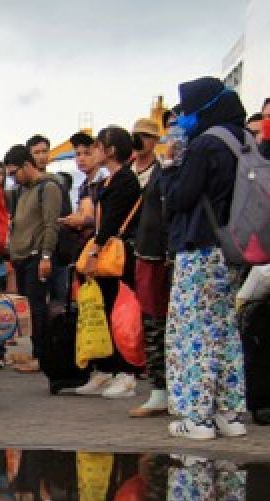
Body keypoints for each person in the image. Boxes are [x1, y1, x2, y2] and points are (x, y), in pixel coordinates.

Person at [162, 77, 249, 440]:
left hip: (200, 247)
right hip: (234, 247)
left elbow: (181, 198)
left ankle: (197, 417)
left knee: (193, 331)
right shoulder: (241, 139)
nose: (184, 119)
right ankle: (229, 414)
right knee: (225, 330)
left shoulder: (205, 145)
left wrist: (170, 167)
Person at [74, 127, 142, 399]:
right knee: (101, 311)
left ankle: (126, 373)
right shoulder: (110, 180)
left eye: (98, 146)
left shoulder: (125, 180)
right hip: (109, 253)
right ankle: (105, 369)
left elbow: (112, 221)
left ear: (111, 150)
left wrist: (94, 251)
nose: (94, 152)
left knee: (121, 314)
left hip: (117, 254)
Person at [3, 145, 62, 374]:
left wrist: (46, 255)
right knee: (30, 308)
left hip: (37, 256)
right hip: (21, 257)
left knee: (38, 308)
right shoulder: (21, 190)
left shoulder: (48, 187)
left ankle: (42, 356)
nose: (13, 178)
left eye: (14, 172)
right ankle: (37, 353)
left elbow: (51, 225)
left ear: (27, 165)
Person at [129, 117, 172, 418]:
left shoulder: (164, 170)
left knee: (160, 321)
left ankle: (163, 389)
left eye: (146, 136)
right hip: (141, 252)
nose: (140, 141)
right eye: (137, 136)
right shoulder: (125, 173)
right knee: (147, 320)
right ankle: (158, 387)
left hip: (160, 253)